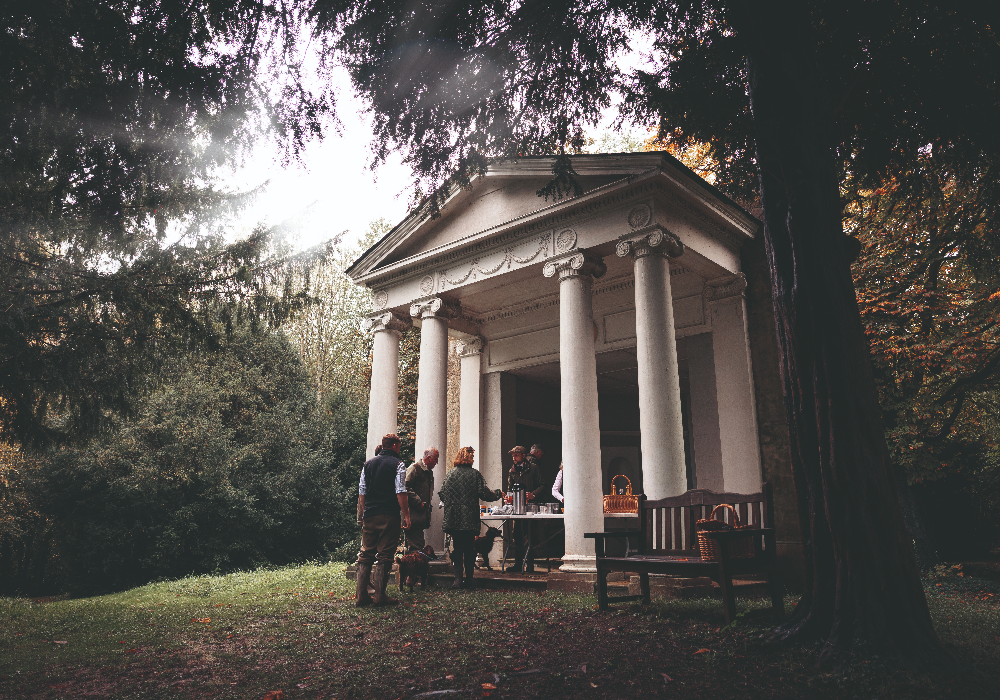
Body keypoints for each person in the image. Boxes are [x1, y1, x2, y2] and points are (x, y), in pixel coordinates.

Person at [355, 433, 411, 607]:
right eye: (399, 446)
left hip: (370, 514)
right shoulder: (398, 464)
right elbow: (400, 491)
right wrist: (406, 515)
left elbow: (362, 491)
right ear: (394, 446)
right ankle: (380, 596)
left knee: (366, 554)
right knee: (385, 555)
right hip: (389, 514)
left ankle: (361, 596)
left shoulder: (368, 464)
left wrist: (366, 511)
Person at [438, 446, 503, 589]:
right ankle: (469, 580)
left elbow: (442, 493)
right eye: (472, 457)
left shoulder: (450, 474)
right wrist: (499, 493)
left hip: (454, 517)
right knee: (469, 548)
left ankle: (457, 580)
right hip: (469, 518)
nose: (473, 459)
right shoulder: (475, 475)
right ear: (468, 458)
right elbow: (486, 494)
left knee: (457, 548)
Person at [508, 445, 544, 573]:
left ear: (523, 456)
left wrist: (533, 494)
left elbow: (542, 484)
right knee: (517, 535)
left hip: (531, 507)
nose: (514, 457)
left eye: (516, 455)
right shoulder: (512, 471)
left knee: (532, 536)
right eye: (513, 455)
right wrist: (509, 498)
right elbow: (510, 488)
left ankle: (530, 565)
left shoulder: (533, 468)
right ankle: (518, 564)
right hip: (518, 508)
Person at [404, 447, 439, 552]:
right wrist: (418, 501)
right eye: (436, 459)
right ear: (428, 458)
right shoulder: (414, 469)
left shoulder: (428, 471)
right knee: (416, 548)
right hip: (413, 516)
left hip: (419, 517)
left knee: (416, 545)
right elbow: (404, 487)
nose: (436, 462)